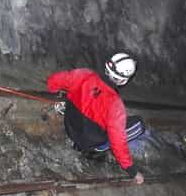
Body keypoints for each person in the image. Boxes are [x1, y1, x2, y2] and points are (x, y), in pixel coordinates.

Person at [47, 53, 145, 184]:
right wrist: (132, 171)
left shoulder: (84, 74)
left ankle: (67, 111)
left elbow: (53, 81)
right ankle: (96, 151)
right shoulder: (116, 105)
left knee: (80, 101)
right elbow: (118, 142)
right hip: (88, 143)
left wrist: (57, 92)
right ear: (123, 80)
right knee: (138, 125)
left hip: (70, 127)